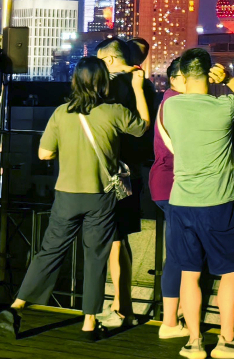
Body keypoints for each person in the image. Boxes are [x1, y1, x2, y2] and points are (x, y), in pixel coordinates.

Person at [0, 56, 149, 337]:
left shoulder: (61, 112)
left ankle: (17, 305)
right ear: (103, 82)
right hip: (100, 197)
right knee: (95, 258)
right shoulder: (114, 111)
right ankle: (89, 322)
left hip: (66, 195)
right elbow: (142, 127)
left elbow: (44, 153)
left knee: (50, 252)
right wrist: (138, 89)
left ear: (75, 81)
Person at [161, 49, 234, 359]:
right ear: (209, 73)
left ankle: (193, 342)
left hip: (181, 203)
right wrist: (229, 78)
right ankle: (227, 341)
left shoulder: (171, 107)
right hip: (220, 201)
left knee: (189, 274)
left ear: (183, 75)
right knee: (230, 273)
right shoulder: (224, 106)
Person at [95, 37, 158, 326]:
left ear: (109, 59)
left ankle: (120, 309)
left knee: (115, 240)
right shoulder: (145, 86)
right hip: (132, 170)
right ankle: (124, 307)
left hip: (110, 170)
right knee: (119, 238)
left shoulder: (108, 86)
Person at [151, 58, 191, 339]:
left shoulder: (168, 100)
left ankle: (176, 318)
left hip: (164, 185)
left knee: (179, 253)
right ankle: (169, 322)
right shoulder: (179, 104)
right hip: (175, 184)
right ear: (179, 77)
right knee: (178, 256)